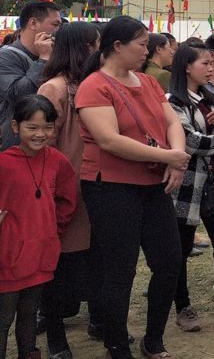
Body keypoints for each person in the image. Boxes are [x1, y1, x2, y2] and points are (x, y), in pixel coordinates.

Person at [75, 16, 190, 359]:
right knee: (119, 270)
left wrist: (175, 157)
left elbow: (172, 121)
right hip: (110, 187)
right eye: (141, 44)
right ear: (117, 46)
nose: (147, 50)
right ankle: (116, 344)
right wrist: (169, 155)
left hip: (153, 184)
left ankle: (153, 338)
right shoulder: (94, 86)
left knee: (169, 263)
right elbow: (109, 141)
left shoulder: (148, 82)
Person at [36, 21, 100, 358]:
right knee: (58, 265)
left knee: (89, 260)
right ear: (81, 48)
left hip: (91, 186)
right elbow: (42, 143)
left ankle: (97, 321)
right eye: (94, 45)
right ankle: (57, 338)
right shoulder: (55, 88)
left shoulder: (90, 85)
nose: (99, 52)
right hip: (64, 191)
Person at [0, 95, 77, 359]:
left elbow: (68, 199)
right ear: (15, 127)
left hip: (42, 255)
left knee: (30, 313)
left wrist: (53, 230)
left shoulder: (56, 160)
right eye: (31, 127)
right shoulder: (4, 164)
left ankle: (29, 353)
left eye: (47, 127)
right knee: (4, 316)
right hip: (8, 258)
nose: (40, 134)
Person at [167, 41, 214, 333]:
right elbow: (190, 142)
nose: (210, 68)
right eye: (205, 63)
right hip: (188, 186)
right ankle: (182, 305)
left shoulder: (208, 97)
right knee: (180, 248)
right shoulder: (173, 101)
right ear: (186, 67)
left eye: (211, 63)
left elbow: (211, 137)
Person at [0, 0, 61, 150]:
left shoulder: (54, 54)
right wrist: (43, 60)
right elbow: (18, 94)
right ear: (33, 23)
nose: (59, 30)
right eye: (55, 24)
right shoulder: (5, 56)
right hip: (15, 145)